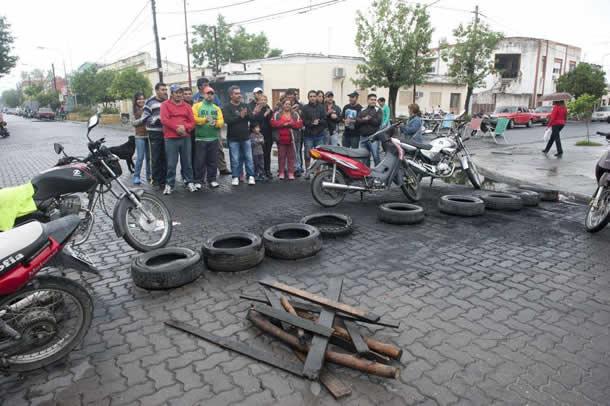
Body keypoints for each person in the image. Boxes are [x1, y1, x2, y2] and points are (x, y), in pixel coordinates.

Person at [159, 85, 196, 195]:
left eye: (180, 92)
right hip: (171, 138)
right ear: (172, 94)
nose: (179, 95)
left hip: (185, 137)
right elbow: (164, 120)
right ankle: (169, 184)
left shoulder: (187, 106)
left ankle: (189, 181)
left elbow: (192, 122)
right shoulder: (165, 105)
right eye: (176, 92)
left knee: (187, 162)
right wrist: (177, 128)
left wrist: (185, 128)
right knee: (171, 164)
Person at [193, 77, 230, 175]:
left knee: (219, 147)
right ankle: (202, 173)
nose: (208, 87)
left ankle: (222, 167)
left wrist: (217, 121)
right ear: (199, 87)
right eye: (205, 85)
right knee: (201, 153)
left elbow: (219, 108)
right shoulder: (195, 98)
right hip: (201, 131)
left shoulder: (214, 95)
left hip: (214, 128)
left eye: (208, 85)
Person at [222, 85, 256, 185]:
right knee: (235, 159)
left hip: (245, 137)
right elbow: (227, 120)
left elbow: (252, 118)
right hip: (233, 138)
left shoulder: (245, 105)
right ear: (231, 95)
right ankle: (235, 177)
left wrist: (249, 114)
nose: (239, 95)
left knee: (249, 158)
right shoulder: (227, 107)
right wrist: (240, 116)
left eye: (239, 93)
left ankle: (251, 176)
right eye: (236, 93)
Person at [192, 85, 224, 189]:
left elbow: (221, 122)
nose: (210, 95)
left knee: (212, 161)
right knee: (199, 161)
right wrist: (205, 120)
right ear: (203, 95)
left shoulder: (216, 108)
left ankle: (212, 179)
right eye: (208, 93)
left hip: (213, 138)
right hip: (200, 138)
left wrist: (216, 123)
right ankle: (198, 180)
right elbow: (193, 119)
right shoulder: (196, 106)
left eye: (211, 94)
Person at [142, 82, 168, 190]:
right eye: (162, 89)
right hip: (154, 133)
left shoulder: (167, 101)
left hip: (166, 133)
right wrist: (156, 119)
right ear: (156, 90)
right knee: (156, 157)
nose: (165, 91)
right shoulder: (149, 102)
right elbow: (145, 118)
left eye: (165, 89)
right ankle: (156, 181)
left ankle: (164, 180)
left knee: (165, 157)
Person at [271, 99, 303, 180]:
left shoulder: (295, 114)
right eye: (286, 104)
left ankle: (291, 172)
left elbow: (300, 124)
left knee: (291, 157)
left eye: (289, 104)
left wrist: (291, 123)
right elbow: (273, 123)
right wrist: (283, 124)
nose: (287, 105)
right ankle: (281, 172)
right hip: (280, 139)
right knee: (281, 157)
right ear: (282, 105)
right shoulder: (277, 114)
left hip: (292, 139)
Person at [301, 90, 327, 176]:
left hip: (319, 135)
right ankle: (307, 172)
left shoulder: (321, 107)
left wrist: (319, 121)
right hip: (308, 135)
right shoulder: (305, 108)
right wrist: (311, 123)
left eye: (314, 96)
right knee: (307, 155)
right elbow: (303, 121)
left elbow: (325, 120)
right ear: (308, 98)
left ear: (316, 97)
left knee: (319, 156)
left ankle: (317, 173)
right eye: (311, 96)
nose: (312, 98)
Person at [248, 92, 273, 178]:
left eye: (265, 100)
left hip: (268, 135)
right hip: (258, 135)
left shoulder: (269, 109)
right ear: (258, 101)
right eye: (261, 100)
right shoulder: (256, 109)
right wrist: (264, 115)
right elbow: (254, 121)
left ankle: (267, 170)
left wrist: (269, 114)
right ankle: (258, 171)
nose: (263, 101)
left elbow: (272, 122)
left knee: (267, 153)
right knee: (257, 155)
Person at [130, 91, 151, 185]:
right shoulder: (134, 110)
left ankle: (149, 175)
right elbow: (133, 123)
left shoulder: (148, 108)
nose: (141, 101)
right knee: (140, 157)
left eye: (143, 99)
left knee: (149, 158)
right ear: (136, 100)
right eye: (139, 99)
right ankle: (136, 176)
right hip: (139, 136)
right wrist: (142, 119)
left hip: (149, 135)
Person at [356, 93, 382, 166]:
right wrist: (366, 119)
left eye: (375, 100)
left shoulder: (378, 110)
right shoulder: (362, 109)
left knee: (376, 157)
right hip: (363, 138)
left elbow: (378, 122)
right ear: (367, 100)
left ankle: (378, 172)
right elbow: (357, 121)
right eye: (371, 100)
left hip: (373, 138)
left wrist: (368, 118)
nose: (373, 101)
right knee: (364, 158)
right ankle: (367, 172)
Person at [285, 88, 304, 176]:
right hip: (285, 133)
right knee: (286, 152)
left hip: (297, 133)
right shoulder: (282, 105)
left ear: (294, 96)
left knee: (297, 150)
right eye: (288, 96)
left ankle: (298, 168)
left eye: (291, 95)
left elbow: (303, 118)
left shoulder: (300, 105)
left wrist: (299, 111)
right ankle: (287, 168)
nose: (290, 97)